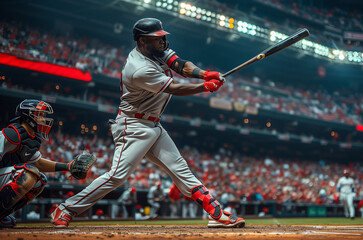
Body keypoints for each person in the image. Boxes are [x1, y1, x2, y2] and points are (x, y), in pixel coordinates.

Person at [51, 18, 245, 228]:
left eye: (163, 36)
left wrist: (204, 74)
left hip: (153, 125)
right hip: (133, 126)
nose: (163, 41)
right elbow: (174, 88)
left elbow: (180, 65)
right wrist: (205, 87)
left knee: (181, 170)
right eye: (157, 38)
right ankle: (66, 208)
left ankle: (214, 213)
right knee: (117, 176)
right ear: (143, 40)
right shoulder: (138, 67)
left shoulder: (155, 52)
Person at [0, 99, 89, 227]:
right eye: (40, 115)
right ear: (27, 116)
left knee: (39, 179)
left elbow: (39, 164)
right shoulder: (11, 134)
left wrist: (68, 166)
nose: (43, 119)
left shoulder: (31, 139)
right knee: (27, 174)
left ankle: (1, 215)